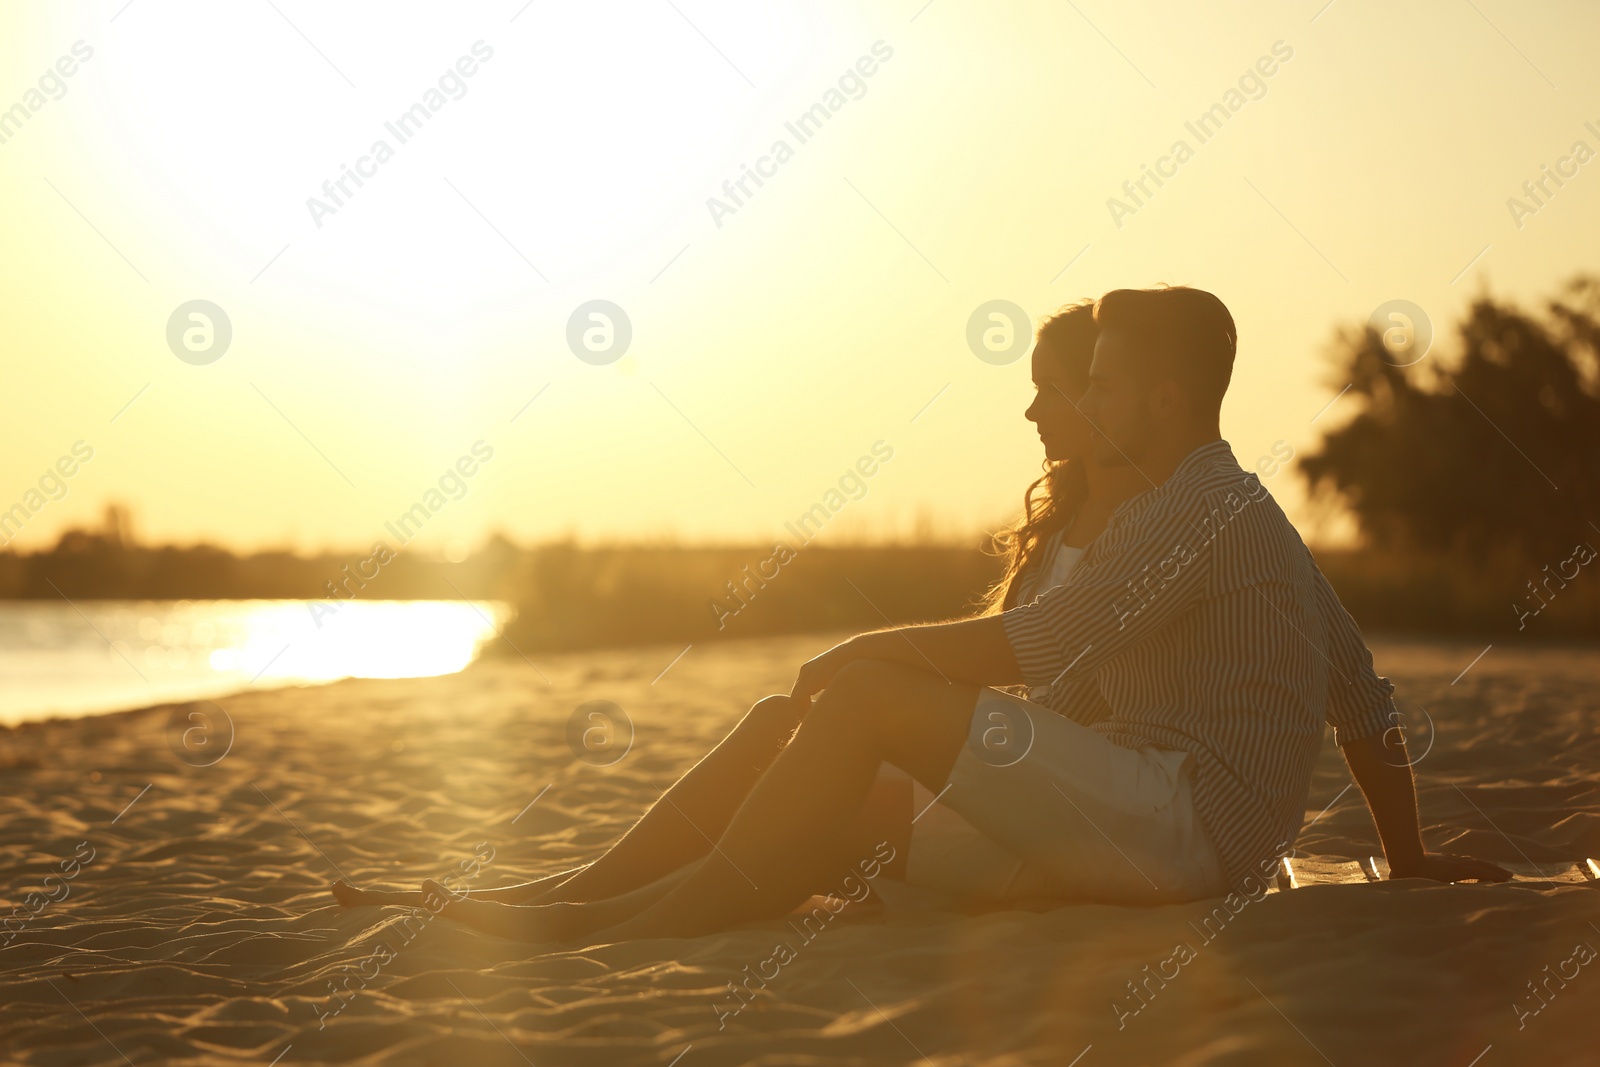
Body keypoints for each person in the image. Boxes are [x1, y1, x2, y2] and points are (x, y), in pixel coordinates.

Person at [333, 286, 1509, 942]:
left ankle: (603, 926)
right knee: (785, 733)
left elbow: (1039, 646)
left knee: (860, 696)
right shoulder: (1219, 513)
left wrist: (862, 649)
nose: (1079, 403)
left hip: (1185, 825)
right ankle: (563, 895)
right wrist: (1403, 855)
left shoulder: (1199, 509)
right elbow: (1362, 695)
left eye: (1097, 384)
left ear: (1158, 396)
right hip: (1133, 810)